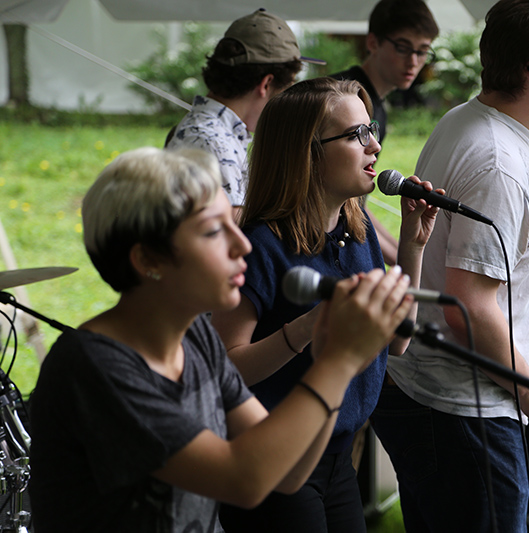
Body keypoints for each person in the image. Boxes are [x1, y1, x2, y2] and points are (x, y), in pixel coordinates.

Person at [28, 147, 414, 532]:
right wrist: (339, 360)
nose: (242, 244)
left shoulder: (194, 335)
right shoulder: (95, 366)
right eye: (213, 230)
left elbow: (290, 472)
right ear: (147, 260)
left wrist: (337, 357)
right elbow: (244, 480)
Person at [370, 0, 529, 531]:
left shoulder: (472, 121)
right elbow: (467, 303)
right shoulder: (498, 160)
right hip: (460, 407)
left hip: (438, 398)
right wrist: (527, 387)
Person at [210, 77, 439, 532]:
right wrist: (306, 329)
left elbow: (396, 342)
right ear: (307, 152)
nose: (374, 145)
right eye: (356, 134)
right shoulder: (261, 245)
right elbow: (225, 368)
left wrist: (412, 251)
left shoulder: (358, 231)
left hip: (338, 457)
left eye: (370, 129)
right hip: (276, 460)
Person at [166, 8, 323, 220]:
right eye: (289, 87)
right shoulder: (214, 143)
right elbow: (238, 243)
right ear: (266, 84)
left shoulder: (215, 132)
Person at [331, 0, 440, 266]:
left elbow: (357, 206)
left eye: (423, 51)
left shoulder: (376, 106)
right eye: (403, 48)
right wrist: (404, 262)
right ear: (373, 43)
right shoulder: (345, 98)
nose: (413, 61)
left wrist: (407, 257)